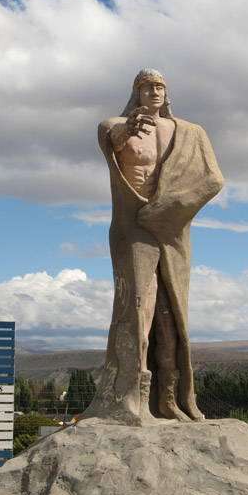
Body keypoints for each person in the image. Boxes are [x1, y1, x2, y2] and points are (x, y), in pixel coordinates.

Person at [81, 69, 224, 425]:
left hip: (172, 230)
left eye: (160, 86)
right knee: (138, 308)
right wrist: (124, 131)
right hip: (132, 227)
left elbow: (212, 180)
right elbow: (111, 141)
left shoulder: (190, 132)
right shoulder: (114, 125)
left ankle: (170, 400)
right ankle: (133, 397)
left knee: (170, 314)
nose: (155, 91)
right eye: (148, 86)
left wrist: (170, 208)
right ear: (136, 91)